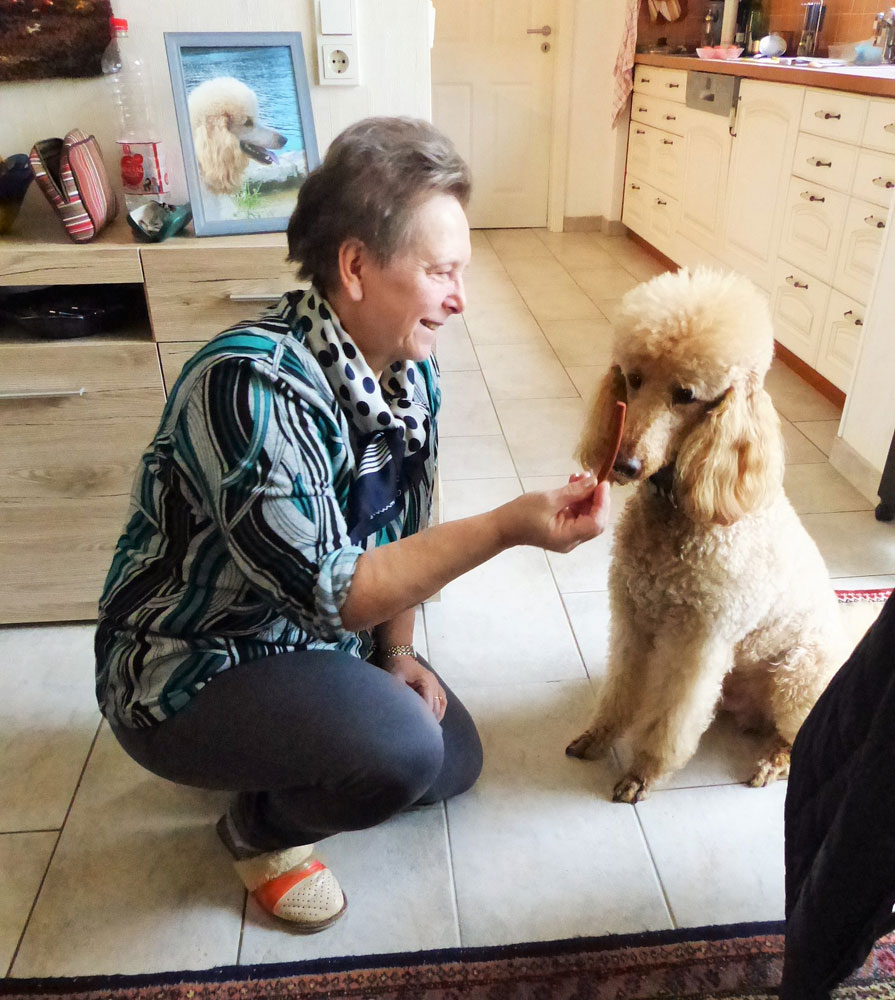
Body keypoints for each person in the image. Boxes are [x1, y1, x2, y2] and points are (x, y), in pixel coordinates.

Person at [95, 116, 611, 933]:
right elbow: (338, 591)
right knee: (400, 751)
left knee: (450, 758)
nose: (459, 298)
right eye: (441, 271)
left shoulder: (408, 371)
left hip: (306, 644)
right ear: (356, 265)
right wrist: (511, 524)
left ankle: (287, 747)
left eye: (462, 271)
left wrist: (397, 651)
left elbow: (398, 527)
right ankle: (256, 831)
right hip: (191, 664)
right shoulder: (250, 387)